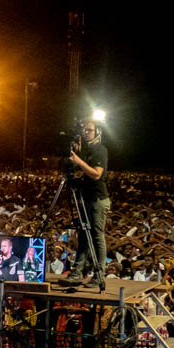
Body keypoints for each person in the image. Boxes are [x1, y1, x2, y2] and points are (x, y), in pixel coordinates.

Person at [63, 119, 109, 290]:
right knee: (83, 234)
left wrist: (79, 161)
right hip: (87, 198)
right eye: (85, 130)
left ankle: (99, 275)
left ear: (98, 132)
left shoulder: (100, 150)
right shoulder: (87, 151)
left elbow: (96, 174)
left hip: (97, 199)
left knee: (96, 237)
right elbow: (82, 173)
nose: (86, 133)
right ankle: (77, 271)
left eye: (89, 130)